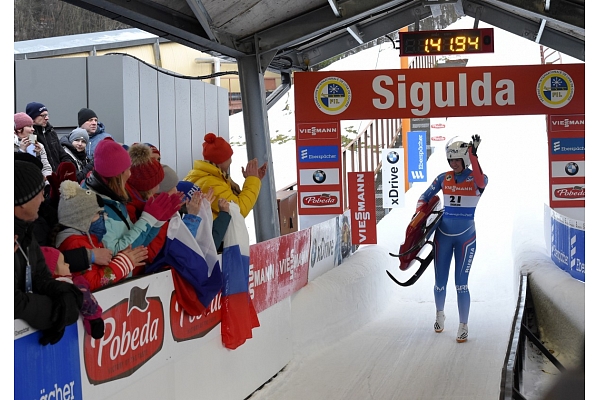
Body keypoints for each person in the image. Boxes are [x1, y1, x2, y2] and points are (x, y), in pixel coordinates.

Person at [415, 135, 487, 343]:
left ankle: (463, 325)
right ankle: (439, 314)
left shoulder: (477, 179)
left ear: (465, 159)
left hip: (466, 238)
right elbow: (424, 197)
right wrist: (420, 213)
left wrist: (473, 156)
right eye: (450, 160)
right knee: (440, 282)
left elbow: (481, 179)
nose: (454, 164)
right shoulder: (442, 178)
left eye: (457, 160)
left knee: (461, 284)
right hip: (443, 236)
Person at [14, 159, 83, 345]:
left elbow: (41, 277)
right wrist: (54, 313)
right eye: (39, 194)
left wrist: (65, 293)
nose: (43, 199)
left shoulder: (25, 231)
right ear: (22, 201)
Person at [83, 138, 181, 255]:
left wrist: (157, 222)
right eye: (128, 169)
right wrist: (147, 219)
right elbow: (114, 253)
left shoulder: (115, 198)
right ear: (118, 174)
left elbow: (138, 242)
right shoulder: (97, 208)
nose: (130, 174)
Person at [55, 180, 148, 291]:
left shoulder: (89, 239)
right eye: (97, 214)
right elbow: (93, 283)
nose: (104, 217)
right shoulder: (75, 244)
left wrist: (122, 260)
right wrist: (124, 262)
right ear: (82, 220)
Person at [183, 132, 267, 220]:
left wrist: (254, 179)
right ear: (221, 161)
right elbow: (239, 211)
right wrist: (252, 180)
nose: (231, 160)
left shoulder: (204, 175)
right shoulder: (211, 184)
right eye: (229, 157)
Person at [40, 246, 105, 339]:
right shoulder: (72, 286)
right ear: (52, 271)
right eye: (63, 263)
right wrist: (95, 318)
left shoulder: (74, 281)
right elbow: (87, 300)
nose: (68, 265)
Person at [25, 102, 73, 171]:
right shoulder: (31, 135)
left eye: (47, 115)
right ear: (32, 118)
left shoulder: (51, 132)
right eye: (43, 115)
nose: (47, 118)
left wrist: (67, 166)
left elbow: (62, 154)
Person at [124, 143, 165, 223]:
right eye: (157, 183)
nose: (159, 186)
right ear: (148, 187)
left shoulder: (135, 197)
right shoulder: (130, 209)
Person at [14, 112, 52, 177]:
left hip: (38, 184)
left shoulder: (38, 145)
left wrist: (38, 155)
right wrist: (21, 151)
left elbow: (46, 168)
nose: (33, 129)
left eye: (32, 126)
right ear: (19, 129)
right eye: (29, 126)